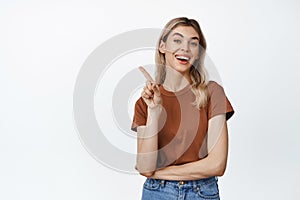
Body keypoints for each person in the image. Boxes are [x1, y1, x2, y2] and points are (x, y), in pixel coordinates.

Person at [131, 17, 234, 200]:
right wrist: (154, 111)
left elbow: (217, 165)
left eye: (193, 43)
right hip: (157, 193)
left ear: (198, 52)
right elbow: (146, 166)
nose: (185, 48)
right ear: (162, 47)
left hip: (201, 192)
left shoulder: (212, 93)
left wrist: (159, 173)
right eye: (177, 40)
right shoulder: (145, 103)